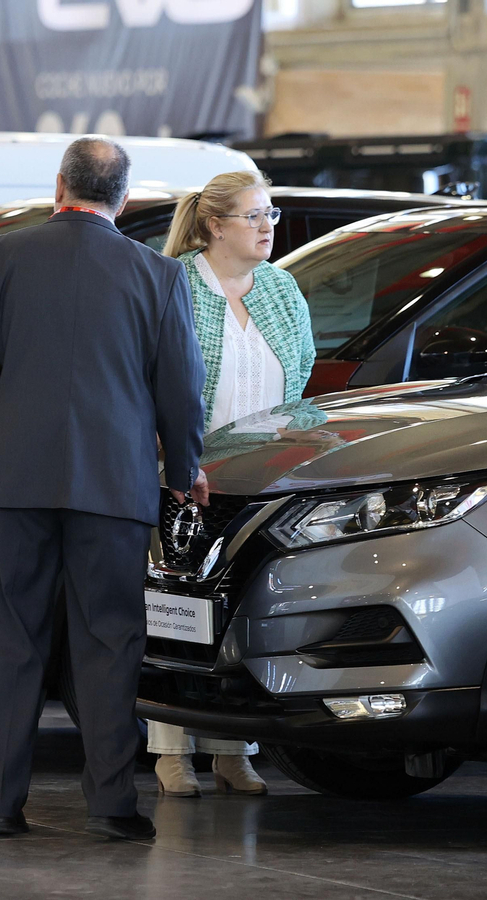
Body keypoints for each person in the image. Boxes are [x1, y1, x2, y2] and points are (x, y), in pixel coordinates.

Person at [0, 137, 206, 841]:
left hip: (13, 480)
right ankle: (111, 807)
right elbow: (181, 391)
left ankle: (0, 806)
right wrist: (182, 474)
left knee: (12, 641)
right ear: (122, 197)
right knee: (109, 642)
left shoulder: (0, 258)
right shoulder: (157, 273)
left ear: (59, 183)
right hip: (114, 485)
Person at [148, 170, 315, 797]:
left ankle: (232, 748)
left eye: (271, 213)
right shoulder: (177, 283)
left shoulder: (282, 289)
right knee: (175, 612)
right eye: (253, 215)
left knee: (239, 612)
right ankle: (170, 749)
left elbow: (298, 378)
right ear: (215, 224)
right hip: (182, 474)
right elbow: (151, 376)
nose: (267, 226)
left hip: (260, 480)